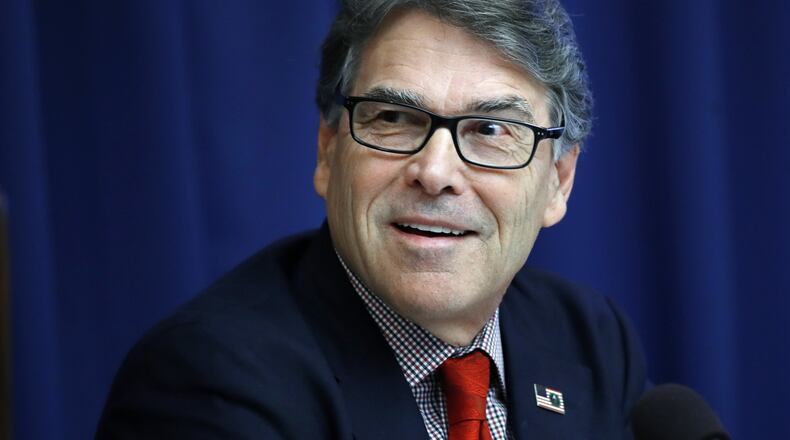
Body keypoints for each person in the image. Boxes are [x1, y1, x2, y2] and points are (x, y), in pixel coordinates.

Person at [97, 0, 649, 438]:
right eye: (393, 118)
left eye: (489, 130)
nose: (435, 172)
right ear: (328, 152)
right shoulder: (208, 386)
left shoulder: (589, 338)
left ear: (558, 181)